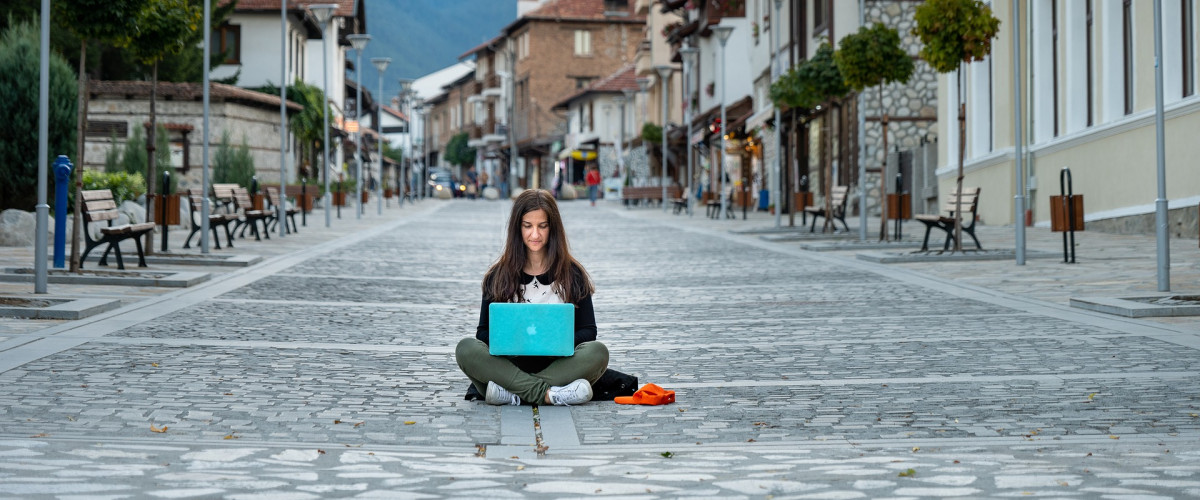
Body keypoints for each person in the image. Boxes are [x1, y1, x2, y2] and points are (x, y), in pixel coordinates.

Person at [455, 189, 608, 406]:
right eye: (528, 226)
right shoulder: (497, 276)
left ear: (552, 228)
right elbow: (482, 333)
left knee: (598, 352)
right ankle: (549, 395)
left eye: (542, 226)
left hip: (558, 365)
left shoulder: (572, 274)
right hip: (509, 366)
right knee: (466, 349)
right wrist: (512, 343)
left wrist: (555, 343)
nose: (535, 235)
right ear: (517, 228)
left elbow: (589, 331)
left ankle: (514, 394)